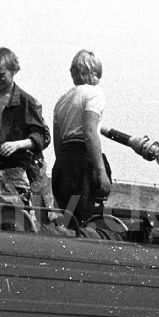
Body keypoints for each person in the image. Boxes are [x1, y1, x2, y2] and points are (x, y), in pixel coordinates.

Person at [0, 47, 50, 229]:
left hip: (14, 170)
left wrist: (18, 144)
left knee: (16, 222)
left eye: (0, 75)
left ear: (14, 70)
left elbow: (43, 136)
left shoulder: (27, 102)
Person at [52, 49, 110, 227]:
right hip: (81, 163)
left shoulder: (62, 100)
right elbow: (90, 132)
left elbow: (57, 143)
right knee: (83, 223)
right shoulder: (95, 93)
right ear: (94, 73)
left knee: (68, 222)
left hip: (62, 164)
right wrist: (101, 172)